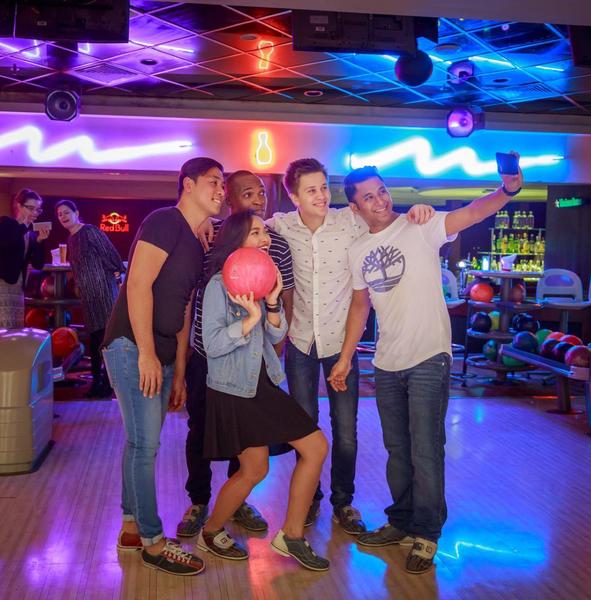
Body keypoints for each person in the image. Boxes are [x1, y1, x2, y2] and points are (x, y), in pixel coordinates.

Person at [329, 157, 524, 574]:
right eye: (368, 197)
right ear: (355, 208)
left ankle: (427, 533)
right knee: (397, 449)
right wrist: (346, 357)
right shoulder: (358, 249)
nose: (380, 200)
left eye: (381, 190)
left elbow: (473, 212)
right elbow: (360, 307)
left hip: (429, 356)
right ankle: (400, 521)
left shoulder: (422, 224)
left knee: (425, 448)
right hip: (386, 361)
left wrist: (507, 190)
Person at [263, 158, 433, 535]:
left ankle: (344, 502)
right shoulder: (281, 225)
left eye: (324, 187)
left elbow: (385, 217)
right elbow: (248, 227)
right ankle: (310, 498)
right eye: (311, 190)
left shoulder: (349, 220)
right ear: (294, 196)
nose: (321, 195)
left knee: (346, 430)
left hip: (342, 344)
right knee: (304, 428)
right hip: (301, 342)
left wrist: (418, 212)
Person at [101, 157, 225, 577]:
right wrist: (146, 353)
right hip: (132, 345)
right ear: (187, 185)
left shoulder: (194, 239)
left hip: (165, 351)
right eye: (213, 182)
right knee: (145, 445)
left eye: (223, 184)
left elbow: (186, 306)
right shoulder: (163, 221)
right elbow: (137, 283)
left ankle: (132, 528)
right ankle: (154, 542)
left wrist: (180, 366)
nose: (220, 190)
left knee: (139, 441)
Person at [197, 210, 330, 571]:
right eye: (257, 233)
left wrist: (271, 306)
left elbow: (274, 336)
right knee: (277, 461)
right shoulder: (218, 286)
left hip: (260, 383)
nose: (265, 239)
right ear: (237, 239)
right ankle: (220, 533)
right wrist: (249, 320)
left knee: (255, 468)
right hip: (233, 389)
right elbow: (211, 344)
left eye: (265, 233)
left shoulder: (259, 279)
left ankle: (277, 534)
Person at [177, 170, 295, 538]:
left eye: (261, 192)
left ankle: (237, 497)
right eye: (248, 193)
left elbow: (283, 297)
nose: (259, 199)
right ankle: (199, 500)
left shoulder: (274, 244)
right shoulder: (208, 239)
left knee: (243, 438)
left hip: (250, 355)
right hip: (207, 353)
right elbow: (191, 303)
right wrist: (180, 367)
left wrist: (274, 349)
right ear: (230, 200)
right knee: (201, 429)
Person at [55, 199, 125, 398]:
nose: (63, 217)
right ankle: (98, 382)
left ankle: (108, 384)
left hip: (103, 292)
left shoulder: (90, 231)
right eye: (59, 214)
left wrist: (118, 275)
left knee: (105, 340)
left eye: (67, 212)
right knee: (96, 341)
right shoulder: (71, 239)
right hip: (89, 297)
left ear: (76, 212)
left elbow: (110, 254)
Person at [0, 188, 48, 330]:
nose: (34, 213)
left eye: (38, 210)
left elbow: (38, 264)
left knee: (15, 330)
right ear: (19, 206)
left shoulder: (30, 233)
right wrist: (23, 227)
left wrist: (39, 241)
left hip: (18, 286)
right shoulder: (6, 222)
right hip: (1, 283)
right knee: (0, 331)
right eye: (31, 208)